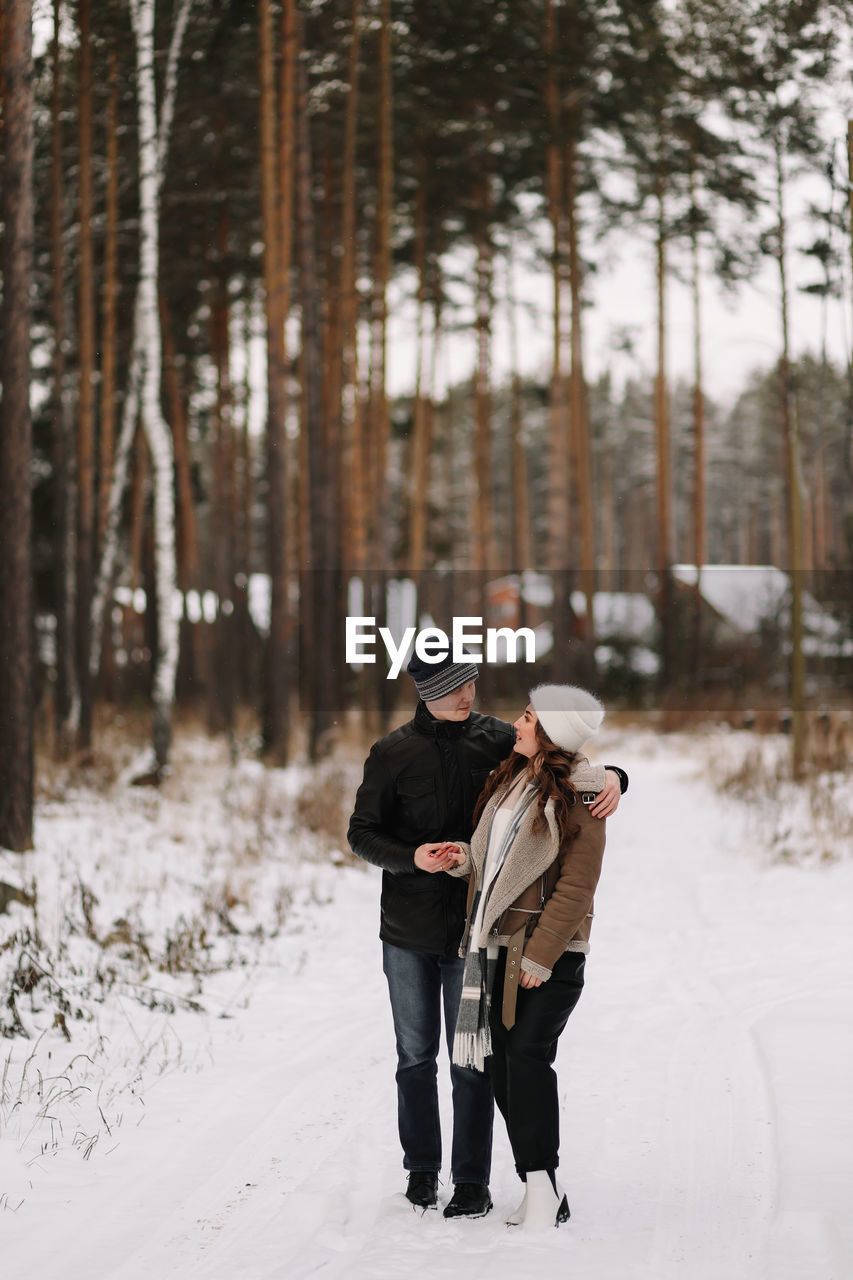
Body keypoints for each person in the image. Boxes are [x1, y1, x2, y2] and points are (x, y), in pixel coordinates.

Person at [347, 653, 628, 1218]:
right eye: (453, 689)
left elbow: (572, 766)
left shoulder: (502, 741)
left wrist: (619, 779)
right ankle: (422, 1172)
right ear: (426, 693)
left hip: (481, 936)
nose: (467, 696)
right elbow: (362, 834)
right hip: (409, 927)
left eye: (471, 684)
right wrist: (413, 857)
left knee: (473, 1059)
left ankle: (474, 1180)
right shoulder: (392, 753)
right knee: (415, 1056)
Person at [444, 683, 610, 1230]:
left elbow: (576, 886)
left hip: (547, 956)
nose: (518, 724)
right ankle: (542, 1186)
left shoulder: (584, 796)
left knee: (526, 1061)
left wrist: (540, 957)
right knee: (501, 1068)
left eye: (529, 717)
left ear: (552, 734)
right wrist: (461, 859)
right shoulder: (515, 780)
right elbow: (499, 865)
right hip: (496, 948)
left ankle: (540, 1183)